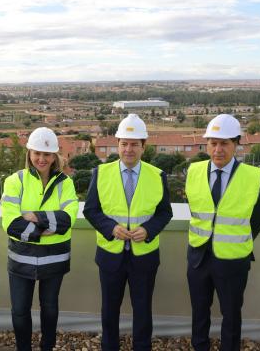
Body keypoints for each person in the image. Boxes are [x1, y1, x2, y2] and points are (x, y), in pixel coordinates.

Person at [83, 114, 173, 351]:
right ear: (118, 145)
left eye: (134, 144)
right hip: (110, 256)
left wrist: (148, 230)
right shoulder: (100, 174)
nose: (128, 149)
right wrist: (111, 228)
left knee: (143, 311)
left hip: (144, 258)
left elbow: (165, 213)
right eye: (124, 143)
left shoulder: (157, 176)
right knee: (109, 311)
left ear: (144, 146)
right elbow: (91, 210)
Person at [184, 114, 260, 351]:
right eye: (213, 143)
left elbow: (258, 218)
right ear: (207, 144)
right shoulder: (194, 171)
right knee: (199, 311)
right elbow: (197, 209)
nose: (218, 149)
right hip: (199, 257)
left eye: (225, 143)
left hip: (233, 260)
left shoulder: (252, 176)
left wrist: (234, 240)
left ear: (236, 143)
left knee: (231, 315)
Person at [1, 127, 79, 351]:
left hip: (54, 259)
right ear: (29, 153)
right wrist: (44, 229)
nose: (41, 159)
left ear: (54, 156)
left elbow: (68, 219)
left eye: (47, 154)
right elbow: (10, 223)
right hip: (21, 259)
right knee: (19, 310)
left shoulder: (66, 183)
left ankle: (47, 347)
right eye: (37, 153)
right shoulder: (15, 181)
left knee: (50, 308)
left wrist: (35, 217)